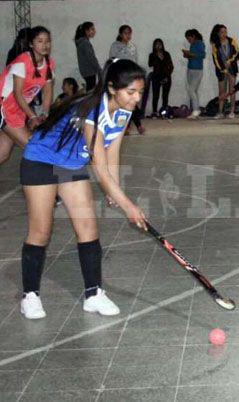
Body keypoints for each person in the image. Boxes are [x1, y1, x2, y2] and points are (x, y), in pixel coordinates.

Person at [18, 59, 148, 319]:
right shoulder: (91, 111)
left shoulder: (124, 111)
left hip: (71, 164)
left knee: (88, 227)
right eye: (131, 92)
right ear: (112, 88)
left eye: (140, 92)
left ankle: (93, 294)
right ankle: (29, 295)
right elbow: (100, 167)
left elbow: (113, 151)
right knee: (41, 231)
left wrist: (115, 190)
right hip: (41, 160)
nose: (137, 99)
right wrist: (128, 206)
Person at [0, 26, 55, 166]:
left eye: (47, 41)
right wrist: (32, 116)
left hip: (16, 110)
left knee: (3, 153)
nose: (45, 45)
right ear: (31, 43)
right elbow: (18, 94)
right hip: (4, 108)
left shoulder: (49, 63)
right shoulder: (22, 61)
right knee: (34, 147)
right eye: (40, 41)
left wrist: (45, 113)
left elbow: (48, 91)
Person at [109, 25, 145, 134]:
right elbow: (112, 60)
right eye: (125, 33)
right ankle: (126, 126)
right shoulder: (115, 46)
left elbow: (135, 61)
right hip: (121, 77)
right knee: (123, 102)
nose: (128, 35)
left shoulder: (132, 46)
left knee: (132, 101)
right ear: (120, 34)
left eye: (129, 33)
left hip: (132, 78)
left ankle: (135, 125)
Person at [209, 24, 239, 119]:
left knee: (232, 90)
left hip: (232, 68)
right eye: (222, 32)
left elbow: (236, 52)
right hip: (221, 70)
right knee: (222, 91)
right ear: (217, 33)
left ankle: (232, 111)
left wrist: (229, 61)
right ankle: (220, 112)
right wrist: (223, 69)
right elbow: (215, 59)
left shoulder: (232, 41)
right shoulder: (215, 44)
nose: (224, 34)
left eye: (225, 32)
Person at [182, 29, 205, 119]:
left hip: (197, 70)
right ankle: (196, 109)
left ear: (193, 36)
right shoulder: (192, 44)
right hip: (190, 68)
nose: (188, 40)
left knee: (191, 90)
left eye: (189, 38)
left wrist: (190, 54)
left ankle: (196, 110)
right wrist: (187, 55)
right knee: (194, 91)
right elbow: (193, 56)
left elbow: (202, 55)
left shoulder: (199, 43)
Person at [147, 38, 174, 118]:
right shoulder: (152, 55)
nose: (158, 46)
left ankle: (164, 112)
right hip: (156, 77)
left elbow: (171, 66)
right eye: (157, 44)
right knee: (155, 95)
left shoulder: (166, 54)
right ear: (154, 46)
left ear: (162, 45)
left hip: (166, 77)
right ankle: (154, 112)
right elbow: (150, 64)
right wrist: (156, 57)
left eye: (160, 44)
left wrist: (167, 76)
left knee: (165, 96)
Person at [74, 21, 102, 91]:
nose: (94, 31)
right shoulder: (85, 43)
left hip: (86, 71)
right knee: (91, 91)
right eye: (92, 29)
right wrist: (99, 69)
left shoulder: (82, 42)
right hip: (89, 71)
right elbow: (91, 58)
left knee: (90, 90)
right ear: (86, 31)